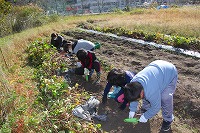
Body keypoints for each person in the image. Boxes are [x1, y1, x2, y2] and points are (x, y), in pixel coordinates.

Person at [123, 60, 178, 132]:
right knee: (147, 96)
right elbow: (134, 96)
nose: (137, 100)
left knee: (165, 98)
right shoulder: (132, 84)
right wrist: (132, 109)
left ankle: (168, 120)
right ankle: (146, 109)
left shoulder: (151, 91)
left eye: (138, 98)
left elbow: (156, 107)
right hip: (156, 67)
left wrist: (146, 116)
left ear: (141, 93)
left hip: (169, 72)